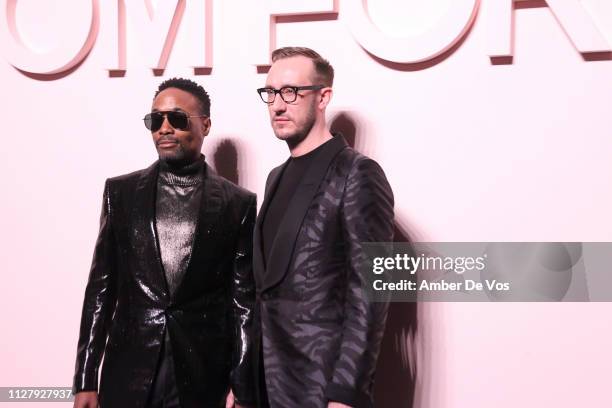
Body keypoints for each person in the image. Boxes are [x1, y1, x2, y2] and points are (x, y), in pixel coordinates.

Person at [72, 78, 256, 408]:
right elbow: (101, 289)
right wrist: (85, 378)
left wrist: (242, 387)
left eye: (177, 118)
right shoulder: (121, 194)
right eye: (156, 120)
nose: (164, 128)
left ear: (206, 125)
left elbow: (242, 303)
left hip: (202, 375)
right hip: (128, 371)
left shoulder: (238, 204)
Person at [253, 47, 394, 408]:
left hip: (322, 386)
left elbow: (373, 289)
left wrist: (347, 392)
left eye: (291, 92)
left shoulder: (357, 173)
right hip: (266, 384)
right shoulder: (274, 178)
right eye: (270, 93)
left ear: (323, 97)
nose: (278, 105)